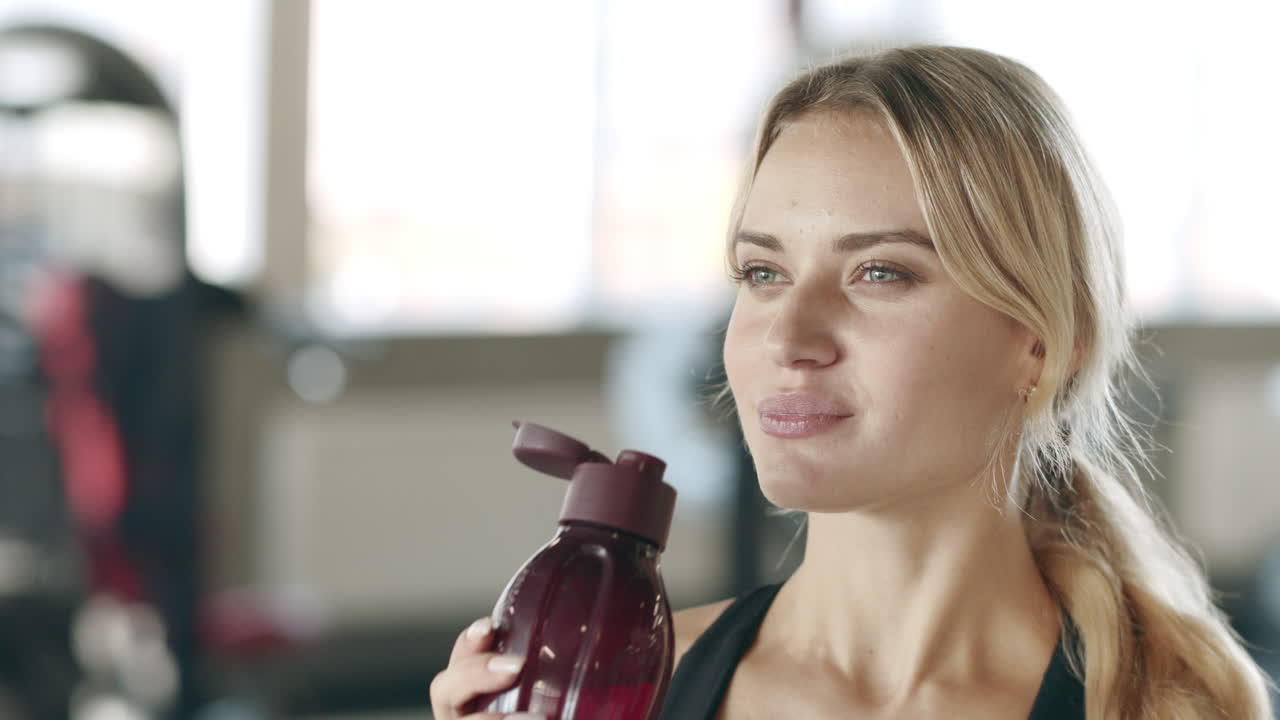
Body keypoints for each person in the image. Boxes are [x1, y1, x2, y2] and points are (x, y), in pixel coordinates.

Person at [429, 45, 1275, 719]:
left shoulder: (1169, 709)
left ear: (1042, 345)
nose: (788, 338)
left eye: (879, 273)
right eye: (762, 273)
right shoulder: (627, 689)